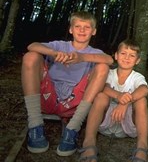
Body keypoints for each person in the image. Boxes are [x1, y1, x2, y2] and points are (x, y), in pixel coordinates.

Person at [21, 11, 114, 156]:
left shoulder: (94, 52)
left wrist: (82, 57)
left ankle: (73, 129)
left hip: (74, 103)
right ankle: (35, 125)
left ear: (94, 31)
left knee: (103, 66)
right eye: (77, 26)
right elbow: (32, 45)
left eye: (87, 27)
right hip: (47, 97)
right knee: (30, 56)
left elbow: (109, 60)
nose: (82, 30)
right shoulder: (59, 45)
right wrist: (54, 53)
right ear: (71, 29)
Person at [79, 39, 148, 162]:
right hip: (105, 122)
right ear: (116, 55)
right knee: (101, 96)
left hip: (127, 126)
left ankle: (142, 147)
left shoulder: (137, 77)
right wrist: (118, 96)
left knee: (141, 100)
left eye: (132, 55)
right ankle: (89, 142)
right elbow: (102, 87)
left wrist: (126, 102)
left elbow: (144, 89)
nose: (127, 58)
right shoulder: (109, 74)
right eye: (123, 54)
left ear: (137, 61)